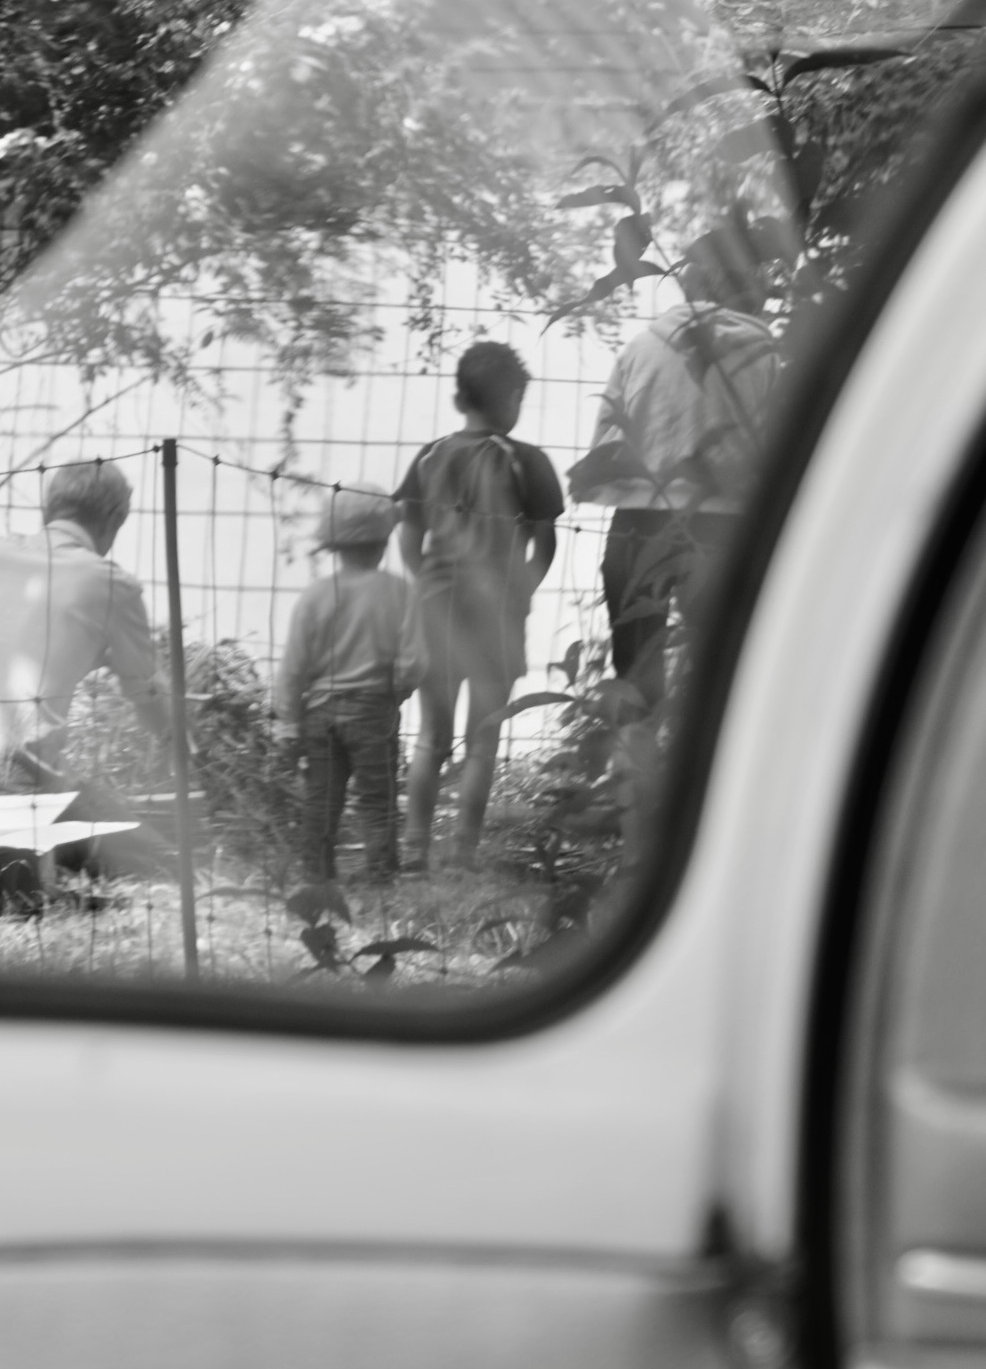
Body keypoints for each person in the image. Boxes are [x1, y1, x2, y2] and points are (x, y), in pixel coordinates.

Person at [569, 229, 780, 709]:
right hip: (725, 526)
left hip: (642, 523)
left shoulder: (641, 346)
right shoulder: (763, 351)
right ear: (745, 285)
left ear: (689, 283)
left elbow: (606, 449)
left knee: (637, 676)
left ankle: (634, 766)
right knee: (723, 674)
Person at [0, 458, 169, 800]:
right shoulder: (112, 586)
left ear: (48, 510)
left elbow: (10, 644)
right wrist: (179, 743)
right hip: (14, 782)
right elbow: (147, 693)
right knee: (150, 849)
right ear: (114, 519)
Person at [395, 343, 563, 872]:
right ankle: (462, 854)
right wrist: (524, 592)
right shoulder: (527, 460)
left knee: (430, 738)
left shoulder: (429, 455)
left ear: (460, 395)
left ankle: (414, 848)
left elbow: (408, 538)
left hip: (437, 608)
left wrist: (427, 582)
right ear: (510, 397)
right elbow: (545, 543)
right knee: (482, 742)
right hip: (496, 613)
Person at [274, 485, 425, 887]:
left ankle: (317, 876)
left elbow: (293, 667)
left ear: (332, 545)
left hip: (319, 714)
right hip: (374, 709)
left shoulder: (314, 596)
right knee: (377, 797)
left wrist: (287, 724)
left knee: (321, 801)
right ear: (382, 542)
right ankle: (379, 874)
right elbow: (414, 659)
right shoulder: (399, 591)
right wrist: (399, 690)